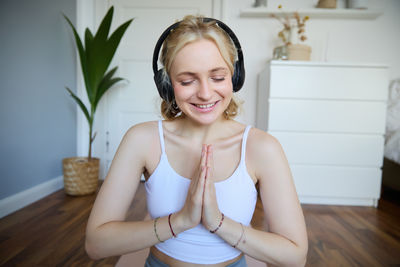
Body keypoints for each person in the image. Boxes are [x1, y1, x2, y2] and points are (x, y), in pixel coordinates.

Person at [85, 15, 308, 267]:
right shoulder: (141, 140)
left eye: (217, 77)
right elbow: (96, 244)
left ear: (235, 77)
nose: (204, 93)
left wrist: (219, 223)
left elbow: (295, 257)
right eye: (187, 80)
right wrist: (180, 221)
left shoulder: (263, 148)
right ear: (167, 84)